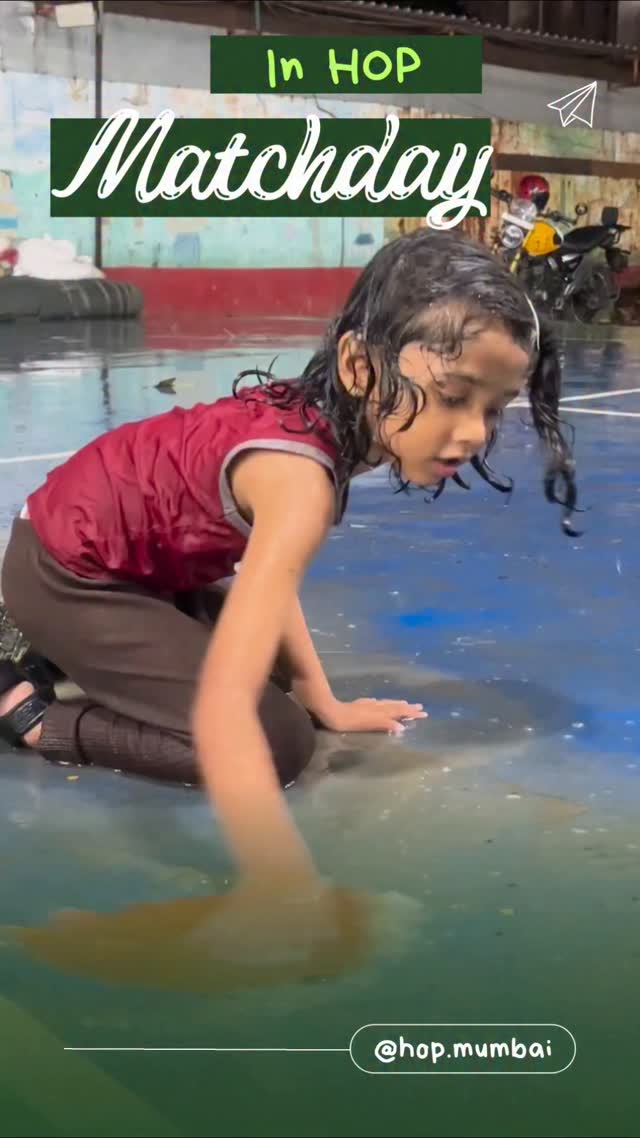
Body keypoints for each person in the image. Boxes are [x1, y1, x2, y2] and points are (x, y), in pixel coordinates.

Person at [0, 229, 577, 946]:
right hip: (70, 574)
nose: (471, 433)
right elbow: (221, 711)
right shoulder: (301, 478)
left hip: (128, 561)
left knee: (280, 693)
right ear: (360, 366)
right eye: (453, 397)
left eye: (492, 408)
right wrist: (279, 882)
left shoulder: (326, 423)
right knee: (275, 743)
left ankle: (49, 649)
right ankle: (32, 716)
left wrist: (323, 698)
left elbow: (266, 584)